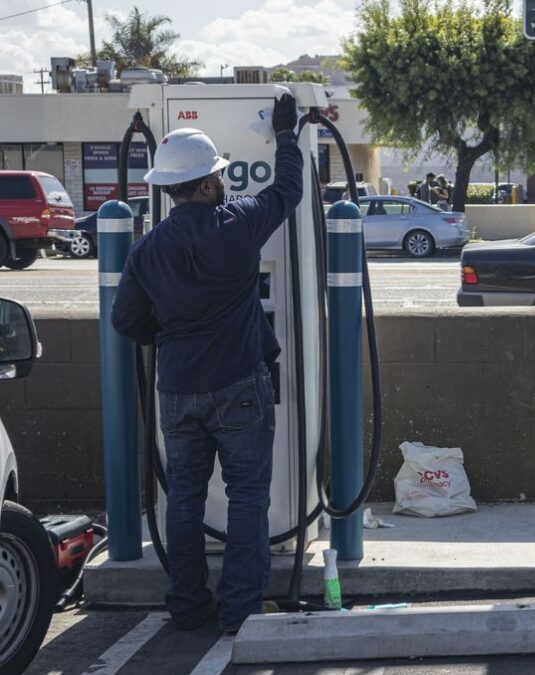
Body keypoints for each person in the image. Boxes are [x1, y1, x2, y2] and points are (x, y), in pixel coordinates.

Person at [111, 93, 302, 634]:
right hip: (240, 384)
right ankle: (240, 611)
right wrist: (286, 137)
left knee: (186, 501)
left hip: (176, 391)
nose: (222, 181)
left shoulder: (145, 249)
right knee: (246, 498)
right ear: (207, 183)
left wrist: (172, 337)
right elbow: (288, 191)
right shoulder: (237, 222)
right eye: (218, 174)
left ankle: (189, 607)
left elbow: (126, 321)